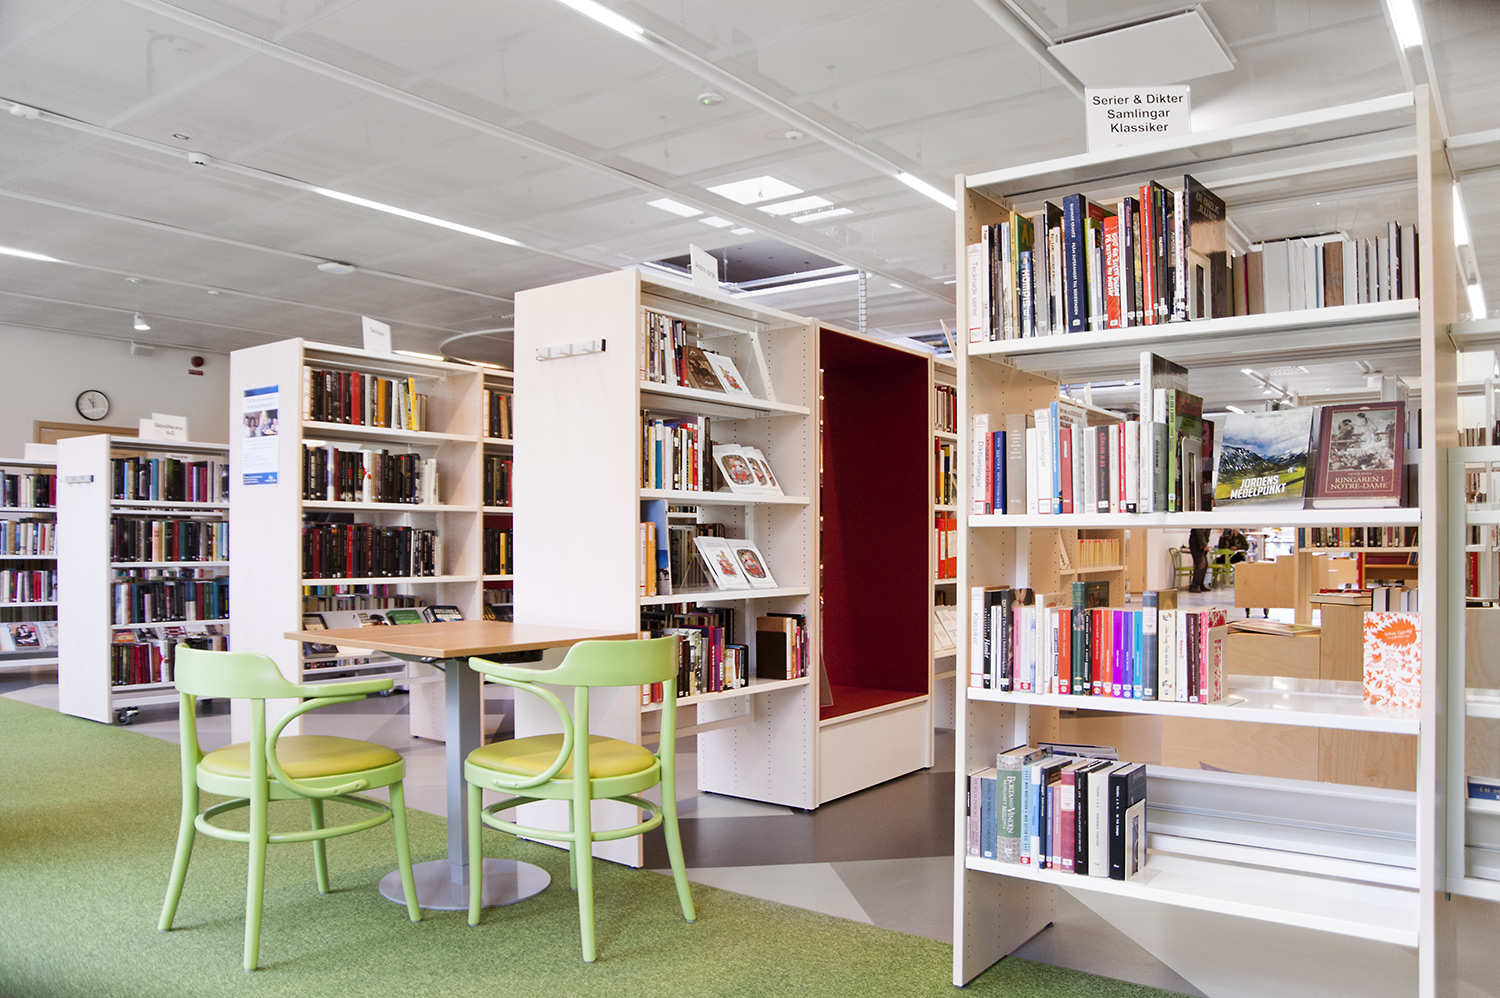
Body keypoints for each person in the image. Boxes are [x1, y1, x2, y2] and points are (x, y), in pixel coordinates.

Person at [1188, 527, 1210, 592]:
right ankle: (1194, 585)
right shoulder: (1202, 522)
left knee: (1205, 564)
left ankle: (1200, 584)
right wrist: (1204, 545)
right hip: (1196, 543)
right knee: (1201, 564)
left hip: (1200, 543)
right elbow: (1200, 533)